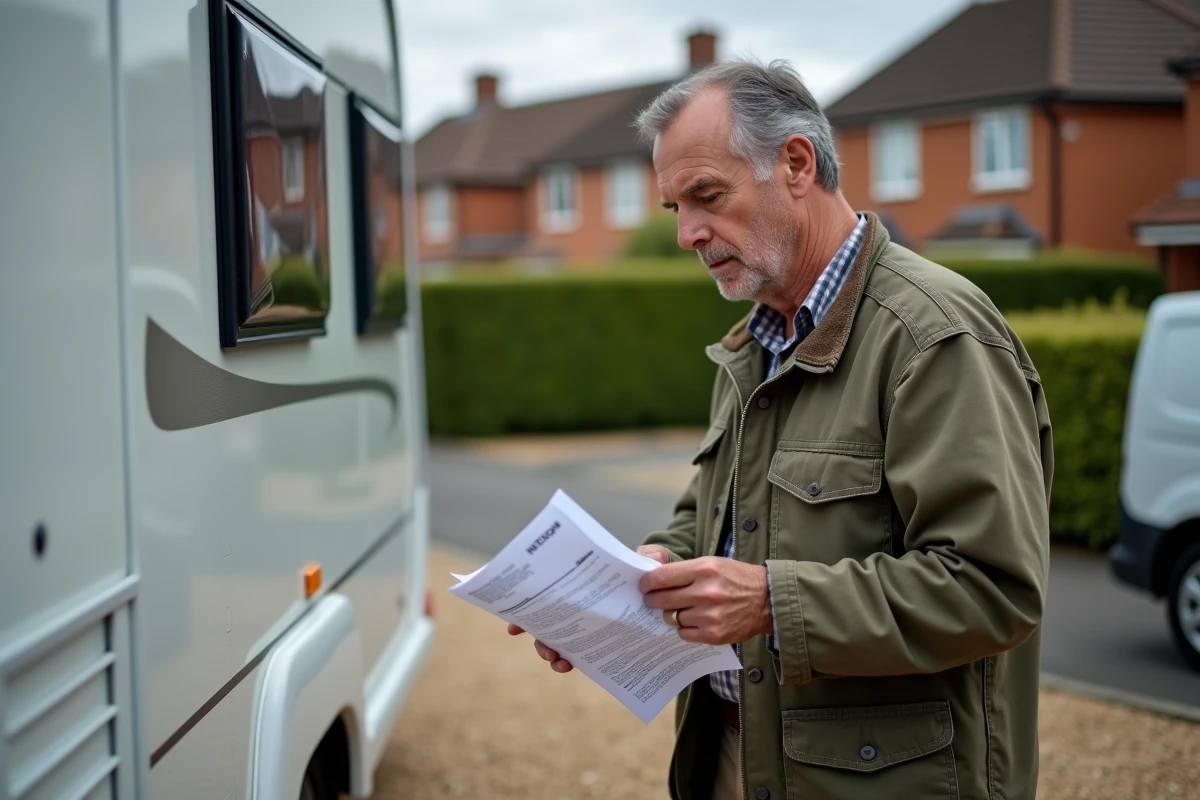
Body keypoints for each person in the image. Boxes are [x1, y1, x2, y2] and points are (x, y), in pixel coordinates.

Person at [509, 58, 1052, 800]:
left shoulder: (933, 336)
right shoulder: (753, 344)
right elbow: (715, 521)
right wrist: (638, 580)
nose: (687, 233)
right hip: (740, 759)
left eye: (706, 195)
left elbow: (992, 588)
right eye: (674, 208)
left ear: (797, 164)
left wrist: (770, 602)